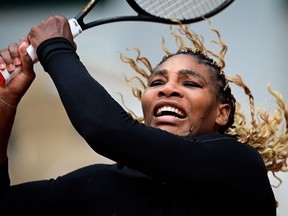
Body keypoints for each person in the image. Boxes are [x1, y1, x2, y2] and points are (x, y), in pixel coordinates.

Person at [0, 15, 287, 215]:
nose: (168, 89)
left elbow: (104, 128)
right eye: (157, 83)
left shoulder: (240, 166)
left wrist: (55, 47)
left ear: (222, 114)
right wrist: (4, 102)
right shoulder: (97, 184)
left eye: (190, 83)